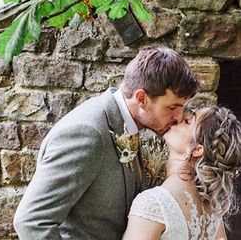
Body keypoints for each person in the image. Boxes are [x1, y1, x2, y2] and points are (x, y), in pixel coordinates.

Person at [14, 46, 199, 240]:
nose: (179, 117)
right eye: (172, 107)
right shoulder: (87, 133)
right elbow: (31, 222)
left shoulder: (125, 125)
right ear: (142, 99)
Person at [123, 105, 241, 240]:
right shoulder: (213, 213)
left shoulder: (154, 203)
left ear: (197, 149)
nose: (178, 118)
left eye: (187, 121)